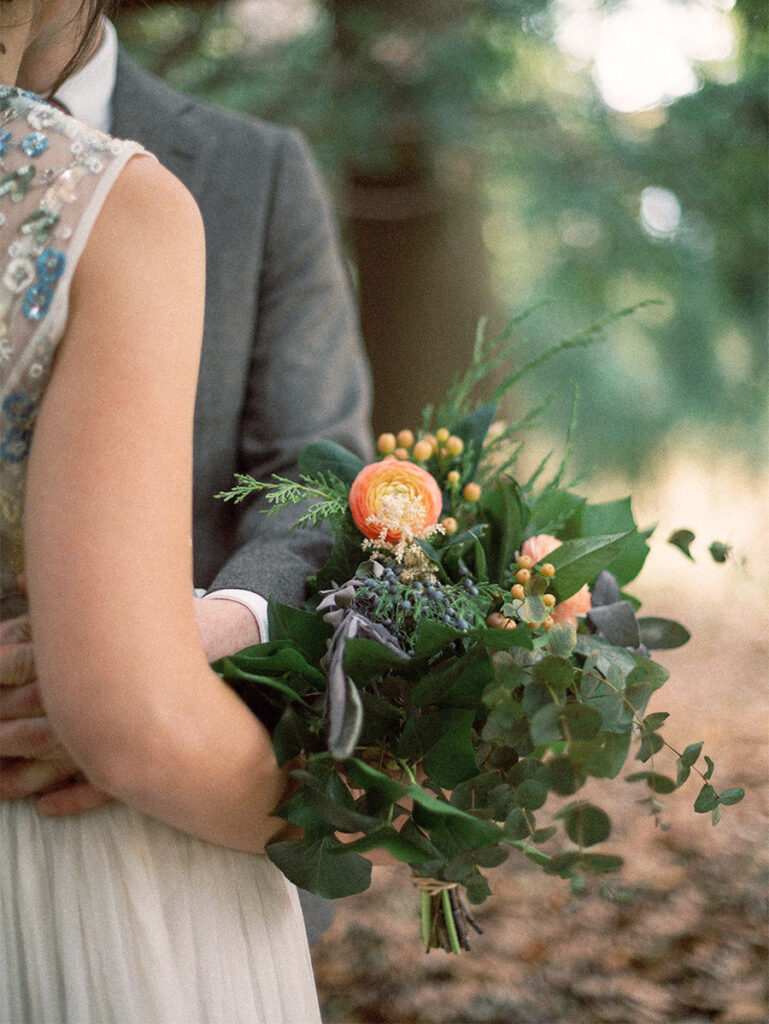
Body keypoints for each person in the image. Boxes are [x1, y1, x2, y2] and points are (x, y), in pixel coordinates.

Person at [0, 0, 344, 1018]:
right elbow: (134, 715)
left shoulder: (253, 168)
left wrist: (213, 632)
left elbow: (317, 470)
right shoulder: (127, 207)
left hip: (152, 834)